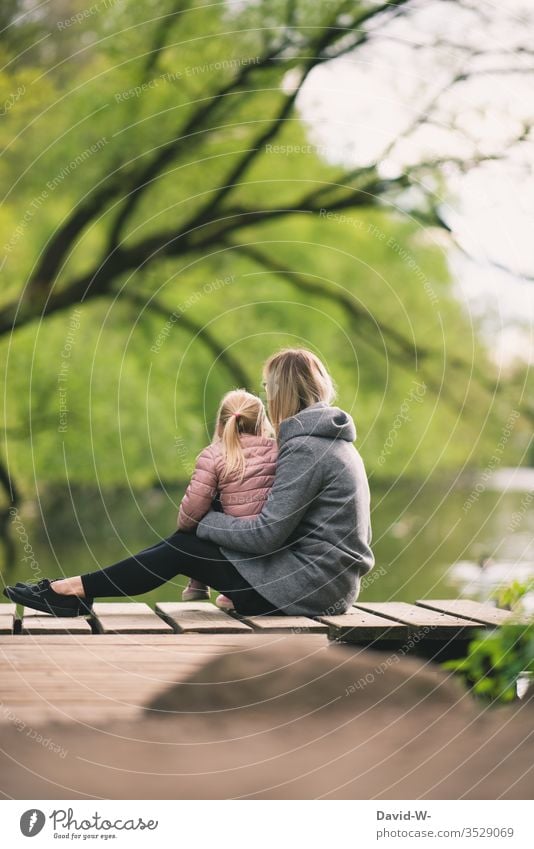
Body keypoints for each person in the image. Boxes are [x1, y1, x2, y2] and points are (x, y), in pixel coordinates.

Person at [4, 349, 374, 618]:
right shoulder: (325, 441)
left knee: (185, 545)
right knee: (191, 539)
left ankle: (73, 590)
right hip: (319, 582)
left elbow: (266, 535)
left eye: (268, 389)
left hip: (310, 588)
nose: (265, 399)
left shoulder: (309, 450)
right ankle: (76, 590)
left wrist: (206, 522)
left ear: (283, 392)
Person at [178, 389, 277, 610]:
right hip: (275, 554)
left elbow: (188, 516)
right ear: (262, 424)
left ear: (221, 424)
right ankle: (223, 592)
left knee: (203, 508)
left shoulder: (213, 454)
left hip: (233, 553)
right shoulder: (280, 452)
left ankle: (198, 584)